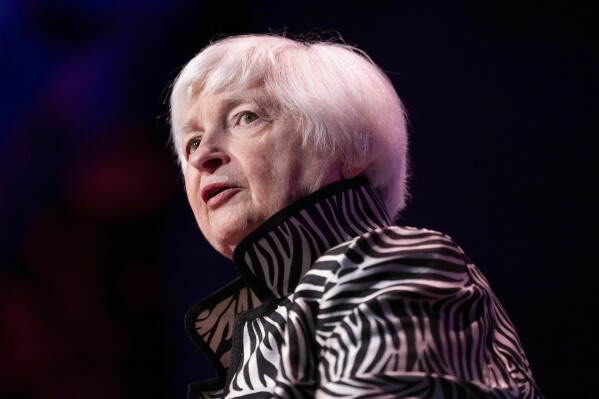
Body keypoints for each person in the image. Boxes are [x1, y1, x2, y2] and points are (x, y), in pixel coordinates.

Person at [169, 34, 543, 399]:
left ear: (347, 149)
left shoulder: (398, 264)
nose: (202, 157)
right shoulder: (276, 324)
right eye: (193, 142)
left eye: (245, 117)